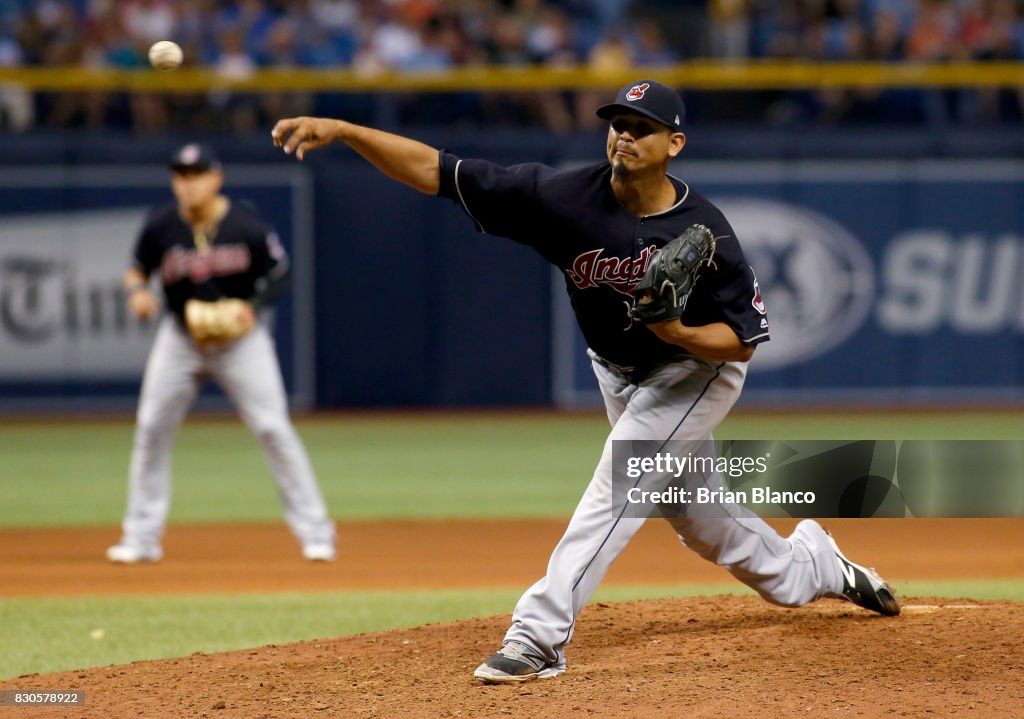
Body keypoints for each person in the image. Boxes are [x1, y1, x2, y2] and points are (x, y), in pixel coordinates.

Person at [269, 79, 899, 682]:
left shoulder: (709, 232)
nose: (624, 136)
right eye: (618, 125)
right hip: (618, 372)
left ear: (674, 144)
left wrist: (678, 333)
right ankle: (813, 565)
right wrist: (348, 129)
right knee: (706, 525)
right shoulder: (563, 198)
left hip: (696, 370)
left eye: (642, 129)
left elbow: (744, 340)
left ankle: (537, 637)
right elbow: (440, 172)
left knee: (618, 480)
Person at [106, 142, 336, 564]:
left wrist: (252, 306)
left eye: (196, 175)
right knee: (152, 428)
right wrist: (138, 291)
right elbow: (137, 268)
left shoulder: (245, 225)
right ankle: (140, 537)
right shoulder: (160, 226)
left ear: (216, 179)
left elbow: (280, 275)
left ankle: (316, 532)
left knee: (272, 428)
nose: (188, 185)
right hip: (181, 339)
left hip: (239, 342)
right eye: (181, 176)